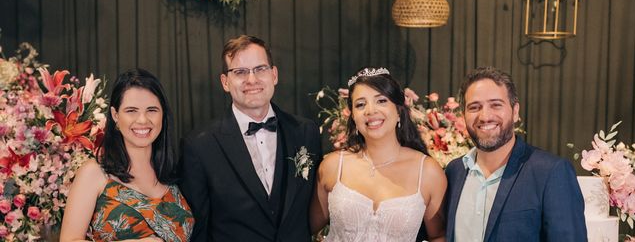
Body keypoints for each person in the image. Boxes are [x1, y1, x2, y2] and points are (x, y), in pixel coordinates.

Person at [180, 35, 322, 242]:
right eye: (240, 72)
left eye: (260, 69)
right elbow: (197, 229)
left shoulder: (306, 132)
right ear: (225, 82)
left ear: (274, 75)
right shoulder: (199, 146)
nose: (252, 79)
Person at [445, 66, 587, 242]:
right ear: (463, 114)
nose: (485, 116)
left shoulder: (551, 172)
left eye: (496, 105)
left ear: (515, 111)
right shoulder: (454, 171)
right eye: (474, 107)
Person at [310, 68, 447, 242]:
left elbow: (438, 236)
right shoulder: (333, 166)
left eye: (381, 101)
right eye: (360, 104)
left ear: (398, 111)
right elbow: (303, 227)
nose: (370, 110)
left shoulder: (428, 172)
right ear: (353, 116)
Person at [60, 68, 194, 242]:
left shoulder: (175, 173)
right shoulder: (94, 173)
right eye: (131, 111)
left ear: (163, 115)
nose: (143, 120)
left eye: (152, 110)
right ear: (115, 115)